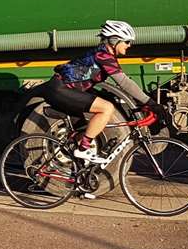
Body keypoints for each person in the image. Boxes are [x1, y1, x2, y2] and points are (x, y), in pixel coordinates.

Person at [42, 20, 154, 163]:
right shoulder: (103, 56)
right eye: (126, 41)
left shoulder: (104, 54)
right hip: (60, 90)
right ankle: (83, 150)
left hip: (66, 89)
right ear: (114, 41)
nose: (129, 45)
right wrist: (150, 102)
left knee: (93, 118)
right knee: (106, 108)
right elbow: (124, 82)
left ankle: (79, 170)